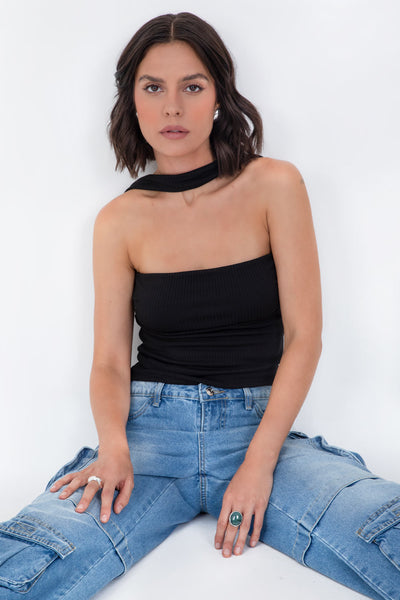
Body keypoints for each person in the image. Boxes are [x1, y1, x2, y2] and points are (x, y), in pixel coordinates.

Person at [0, 11, 399, 600]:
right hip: (148, 437)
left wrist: (259, 464)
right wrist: (113, 448)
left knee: (385, 536)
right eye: (152, 88)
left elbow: (305, 337)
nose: (172, 107)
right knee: (26, 567)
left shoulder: (275, 185)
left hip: (261, 431)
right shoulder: (118, 221)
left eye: (192, 86)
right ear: (131, 103)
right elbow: (109, 361)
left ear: (218, 96)